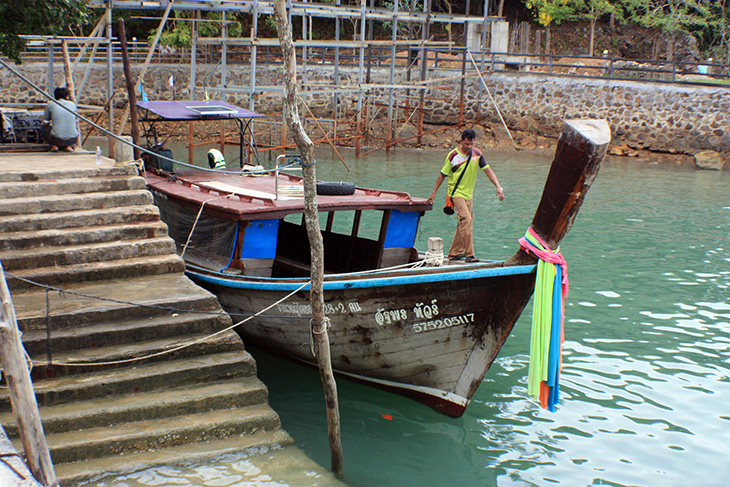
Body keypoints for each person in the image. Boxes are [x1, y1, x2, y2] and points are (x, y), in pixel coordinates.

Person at [427, 129, 504, 263]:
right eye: (467, 144)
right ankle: (470, 255)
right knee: (466, 220)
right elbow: (442, 175)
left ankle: (454, 253)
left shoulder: (477, 154)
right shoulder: (453, 156)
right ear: (461, 141)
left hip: (469, 194)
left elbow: (488, 171)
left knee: (464, 223)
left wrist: (498, 186)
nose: (469, 147)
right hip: (456, 193)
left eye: (472, 144)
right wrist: (433, 193)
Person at [41, 87, 79, 152]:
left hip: (57, 139)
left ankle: (54, 146)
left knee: (43, 128)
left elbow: (45, 122)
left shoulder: (51, 105)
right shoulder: (72, 104)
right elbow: (76, 120)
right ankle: (68, 146)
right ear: (66, 96)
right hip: (73, 139)